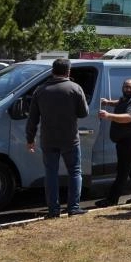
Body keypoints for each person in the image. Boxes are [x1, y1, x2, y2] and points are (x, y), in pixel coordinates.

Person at [25, 58, 89, 218]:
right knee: (74, 172)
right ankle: (73, 208)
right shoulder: (75, 88)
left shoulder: (40, 90)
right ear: (68, 71)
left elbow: (32, 118)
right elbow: (84, 113)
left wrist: (30, 139)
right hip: (70, 139)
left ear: (52, 71)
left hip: (48, 139)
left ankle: (53, 211)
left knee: (51, 174)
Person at [95, 78, 131, 207]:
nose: (128, 89)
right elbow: (120, 102)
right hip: (126, 139)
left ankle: (111, 200)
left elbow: (128, 118)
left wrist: (108, 116)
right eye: (126, 87)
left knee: (123, 170)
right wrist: (108, 102)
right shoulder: (126, 98)